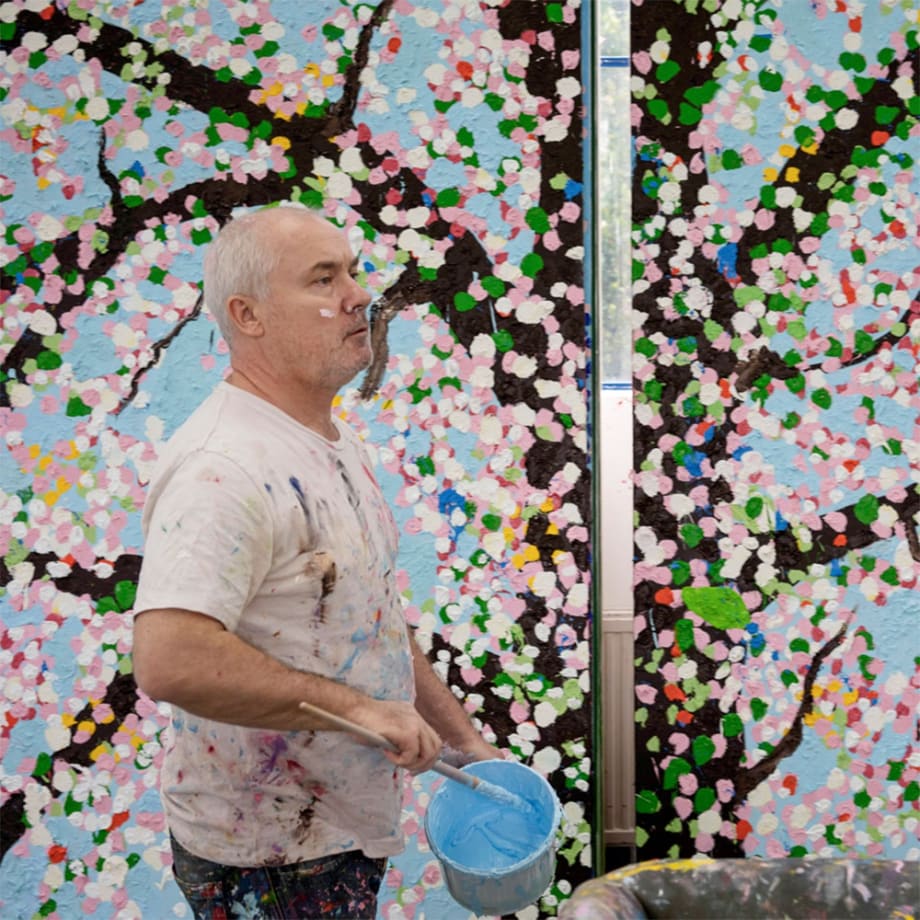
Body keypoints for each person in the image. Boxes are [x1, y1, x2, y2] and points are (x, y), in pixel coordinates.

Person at [131, 204, 499, 919]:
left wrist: (463, 742)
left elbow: (372, 620)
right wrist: (361, 711)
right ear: (250, 315)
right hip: (268, 860)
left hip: (331, 837)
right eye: (323, 278)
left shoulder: (329, 439)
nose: (359, 294)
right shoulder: (224, 465)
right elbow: (170, 660)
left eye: (354, 271)